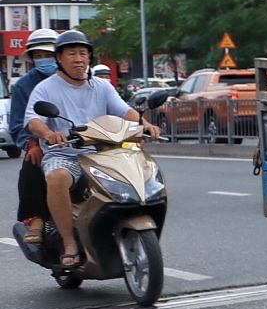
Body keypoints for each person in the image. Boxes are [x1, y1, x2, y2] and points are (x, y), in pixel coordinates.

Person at [23, 30, 160, 268]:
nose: (79, 59)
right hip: (66, 154)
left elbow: (124, 111)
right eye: (72, 53)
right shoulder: (45, 88)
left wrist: (144, 124)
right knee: (56, 177)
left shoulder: (101, 87)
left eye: (83, 53)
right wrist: (48, 134)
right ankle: (69, 243)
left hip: (103, 152)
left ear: (90, 58)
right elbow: (33, 119)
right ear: (59, 58)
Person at [8, 29, 58, 245]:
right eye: (38, 56)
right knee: (32, 164)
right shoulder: (24, 86)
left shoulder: (85, 79)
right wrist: (31, 143)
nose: (43, 59)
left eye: (47, 54)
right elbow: (19, 123)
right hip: (47, 144)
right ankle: (36, 219)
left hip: (84, 141)